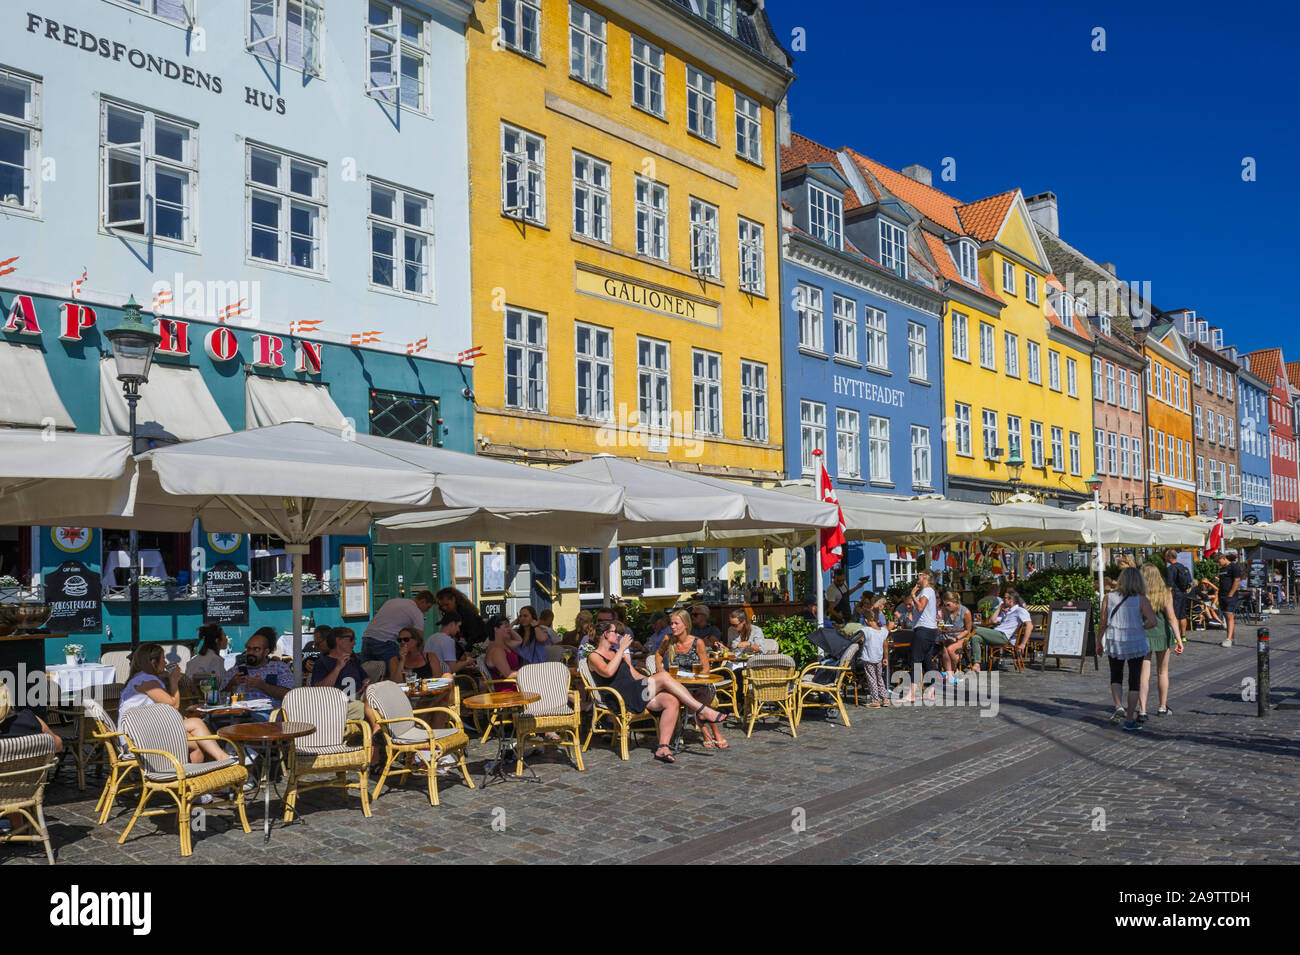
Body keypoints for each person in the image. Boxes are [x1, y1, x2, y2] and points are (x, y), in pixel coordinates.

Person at [586, 620, 729, 764]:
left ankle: (663, 747)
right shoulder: (594, 656)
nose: (618, 635)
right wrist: (622, 650)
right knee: (664, 676)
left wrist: (651, 681)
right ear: (605, 634)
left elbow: (635, 676)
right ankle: (701, 710)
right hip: (620, 698)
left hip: (634, 691)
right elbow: (608, 672)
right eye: (615, 632)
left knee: (671, 700)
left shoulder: (616, 653)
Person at [122, 643, 230, 762]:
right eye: (163, 658)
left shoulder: (141, 678)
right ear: (153, 662)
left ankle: (216, 762)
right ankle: (222, 758)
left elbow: (158, 709)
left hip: (141, 731)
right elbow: (173, 705)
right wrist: (173, 680)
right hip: (137, 737)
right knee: (196, 726)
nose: (165, 662)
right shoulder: (146, 680)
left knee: (195, 737)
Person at [657, 609, 727, 748]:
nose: (672, 627)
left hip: (698, 683)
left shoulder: (697, 642)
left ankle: (710, 729)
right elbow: (658, 655)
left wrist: (697, 678)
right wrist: (660, 670)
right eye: (671, 623)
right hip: (677, 685)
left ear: (686, 625)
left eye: (676, 623)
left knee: (700, 694)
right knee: (689, 696)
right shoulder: (668, 639)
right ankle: (709, 730)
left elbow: (706, 668)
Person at [1098, 567, 1157, 731]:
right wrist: (1141, 627)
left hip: (1115, 640)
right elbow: (1153, 621)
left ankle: (1118, 706)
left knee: (1116, 675)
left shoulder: (1108, 597)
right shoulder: (1142, 599)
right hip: (1136, 642)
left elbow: (1102, 622)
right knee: (1134, 680)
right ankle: (1130, 719)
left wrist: (1098, 643)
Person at [0, 682, 63, 834]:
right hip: (26, 789)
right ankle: (18, 827)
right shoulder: (30, 719)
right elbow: (58, 745)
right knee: (15, 772)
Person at [1139, 563, 1185, 720]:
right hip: (1162, 634)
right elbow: (1172, 618)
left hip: (1143, 634)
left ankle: (1142, 710)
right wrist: (1179, 640)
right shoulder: (1165, 593)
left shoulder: (1138, 593)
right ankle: (1162, 707)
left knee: (1143, 674)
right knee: (1162, 672)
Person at [361, 590, 434, 683]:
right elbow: (418, 638)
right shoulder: (416, 612)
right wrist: (422, 658)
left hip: (367, 637)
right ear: (423, 601)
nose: (426, 611)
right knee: (395, 673)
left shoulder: (393, 601)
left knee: (366, 675)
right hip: (385, 641)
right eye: (427, 607)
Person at [222, 628, 293, 713]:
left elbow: (290, 696)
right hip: (237, 715)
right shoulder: (234, 671)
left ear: (266, 651)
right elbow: (219, 700)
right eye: (248, 649)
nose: (251, 652)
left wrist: (263, 685)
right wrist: (231, 684)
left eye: (256, 649)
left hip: (268, 718)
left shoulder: (279, 668)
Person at [968, 588, 1033, 674]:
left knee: (974, 628)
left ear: (1011, 600)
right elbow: (992, 621)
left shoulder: (1020, 610)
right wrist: (999, 608)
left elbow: (1030, 625)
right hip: (996, 634)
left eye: (1005, 598)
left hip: (1003, 636)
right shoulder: (1007, 612)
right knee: (975, 637)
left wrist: (1023, 644)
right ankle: (977, 664)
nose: (1002, 600)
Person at [898, 571, 938, 703]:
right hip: (929, 629)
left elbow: (920, 607)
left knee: (915, 660)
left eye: (920, 574)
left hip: (924, 630)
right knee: (927, 660)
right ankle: (931, 690)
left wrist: (913, 595)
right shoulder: (928, 591)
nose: (918, 576)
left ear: (926, 577)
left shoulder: (926, 590)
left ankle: (912, 693)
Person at [937, 591, 973, 685]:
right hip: (947, 636)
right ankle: (951, 675)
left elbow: (967, 630)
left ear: (956, 602)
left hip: (961, 637)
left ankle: (953, 671)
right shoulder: (945, 610)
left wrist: (957, 638)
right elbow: (942, 625)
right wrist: (939, 620)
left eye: (948, 604)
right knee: (944, 648)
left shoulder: (966, 612)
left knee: (950, 649)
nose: (946, 607)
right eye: (944, 605)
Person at [483, 614, 523, 692]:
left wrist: (509, 629)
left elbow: (519, 641)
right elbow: (508, 674)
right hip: (507, 690)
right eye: (506, 626)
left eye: (509, 626)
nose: (509, 629)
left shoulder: (505, 644)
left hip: (516, 685)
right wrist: (528, 673)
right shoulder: (496, 650)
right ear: (496, 629)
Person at [858, 618, 890, 708]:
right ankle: (885, 699)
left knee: (872, 679)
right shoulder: (883, 631)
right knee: (879, 678)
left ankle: (875, 700)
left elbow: (858, 639)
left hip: (869, 659)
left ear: (866, 620)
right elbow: (885, 645)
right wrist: (886, 657)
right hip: (879, 658)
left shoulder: (866, 630)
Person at [1164, 549, 1194, 639]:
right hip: (1183, 594)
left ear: (1169, 557)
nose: (1165, 558)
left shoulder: (1171, 568)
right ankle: (1183, 636)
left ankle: (1176, 636)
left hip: (1175, 594)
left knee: (1175, 615)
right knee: (1183, 615)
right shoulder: (1183, 567)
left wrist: (1167, 596)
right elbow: (1190, 582)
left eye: (1166, 556)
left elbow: (1169, 585)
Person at [1216, 552, 1244, 648]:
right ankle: (1232, 638)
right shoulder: (1223, 568)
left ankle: (1228, 639)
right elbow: (1225, 580)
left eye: (1218, 561)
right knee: (1226, 616)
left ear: (1223, 558)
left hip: (1230, 596)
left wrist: (1231, 594)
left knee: (1229, 616)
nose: (1218, 564)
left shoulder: (1234, 567)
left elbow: (1237, 581)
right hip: (1222, 595)